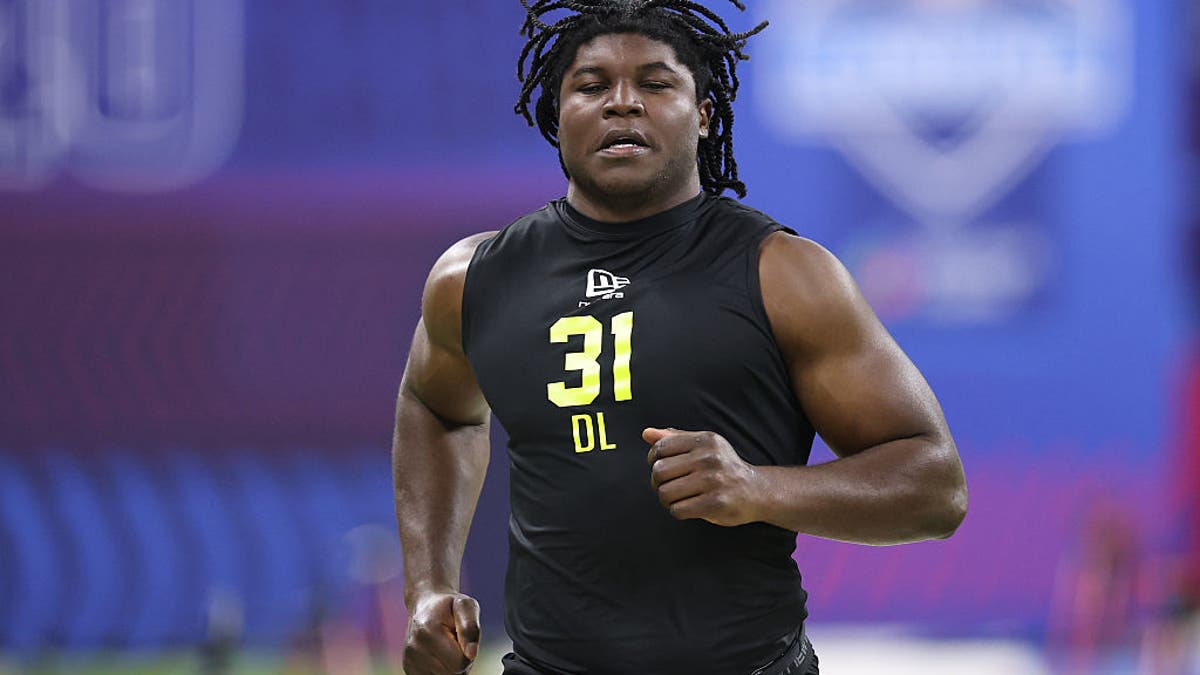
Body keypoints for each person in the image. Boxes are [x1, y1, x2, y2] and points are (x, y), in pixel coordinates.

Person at [393, 1, 969, 673]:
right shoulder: (474, 278)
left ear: (702, 113)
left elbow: (935, 486)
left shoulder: (783, 274)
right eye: (591, 85)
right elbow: (436, 407)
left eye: (656, 82)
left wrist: (759, 487)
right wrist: (429, 584)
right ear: (557, 113)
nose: (622, 103)